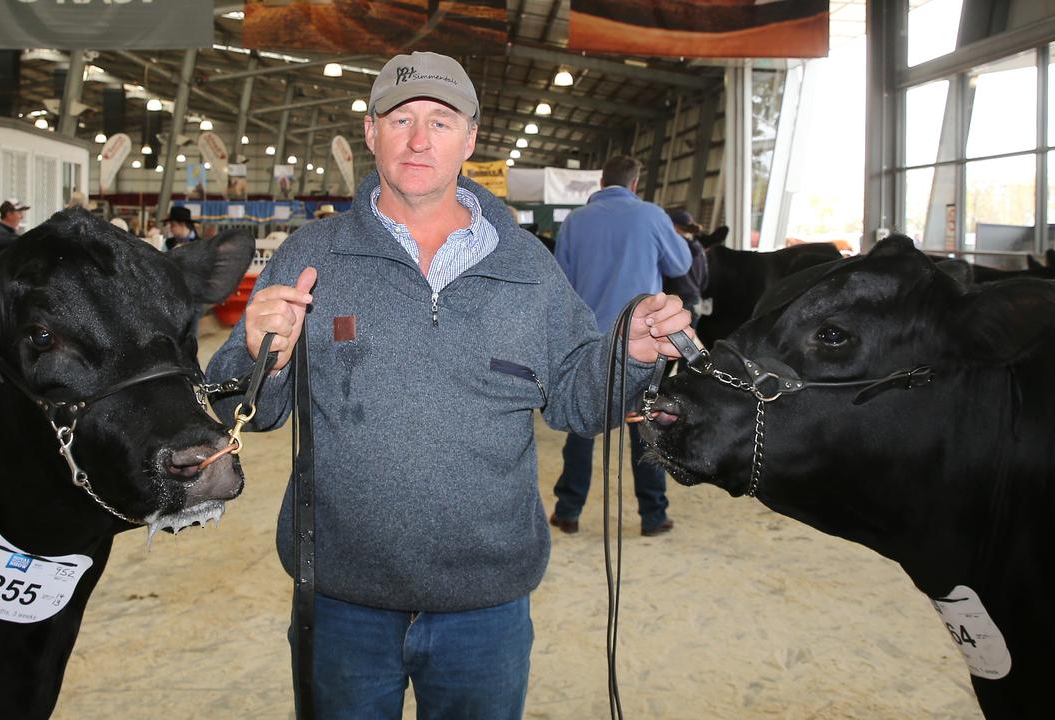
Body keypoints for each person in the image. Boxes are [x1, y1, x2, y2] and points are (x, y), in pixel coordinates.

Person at [206, 51, 692, 720]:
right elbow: (245, 414)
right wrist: (254, 352)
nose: (417, 138)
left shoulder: (527, 264)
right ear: (371, 132)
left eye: (439, 120)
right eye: (400, 118)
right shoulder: (309, 255)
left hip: (485, 609)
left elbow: (579, 401)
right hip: (342, 599)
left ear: (469, 138)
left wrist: (630, 355)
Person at [549, 156, 692, 538]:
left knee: (581, 427)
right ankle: (653, 516)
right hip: (641, 339)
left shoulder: (575, 222)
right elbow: (681, 262)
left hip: (588, 341)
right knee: (644, 425)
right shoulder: (650, 215)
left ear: (601, 182)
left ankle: (567, 511)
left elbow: (560, 283)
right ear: (634, 183)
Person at [663, 208, 709, 326]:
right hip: (695, 302)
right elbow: (704, 281)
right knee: (687, 341)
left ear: (675, 226)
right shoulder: (700, 250)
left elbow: (665, 276)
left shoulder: (675, 248)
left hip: (676, 303)